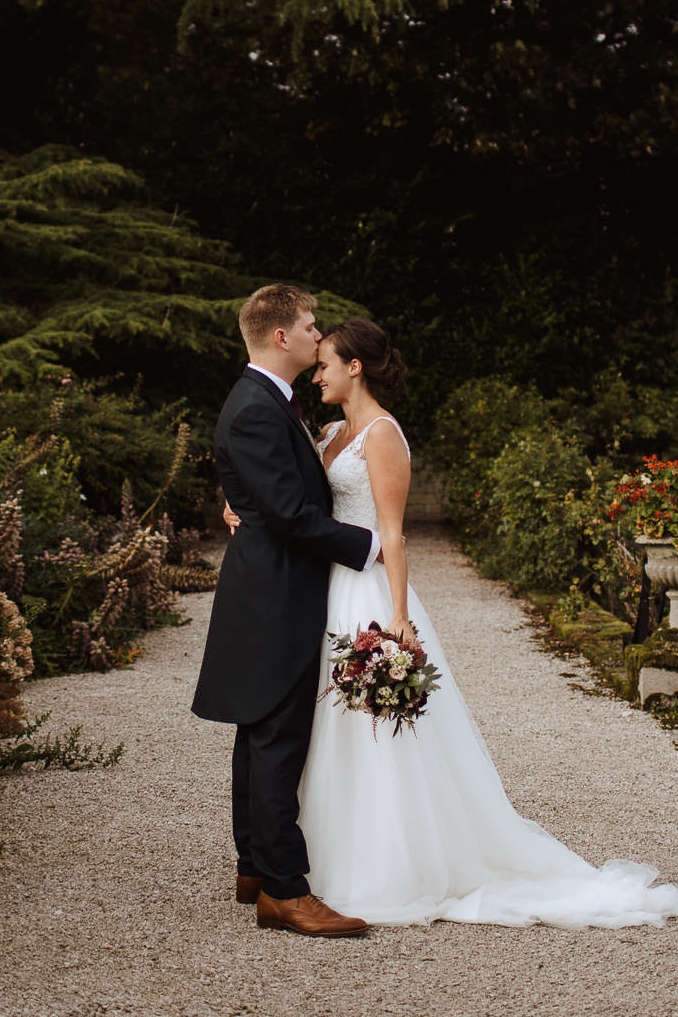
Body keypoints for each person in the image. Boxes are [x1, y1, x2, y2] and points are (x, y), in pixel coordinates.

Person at [290, 318, 678, 928]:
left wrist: (398, 619)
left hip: (367, 591)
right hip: (324, 589)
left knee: (373, 726)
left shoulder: (382, 435)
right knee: (328, 724)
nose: (316, 373)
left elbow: (394, 535)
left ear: (355, 367)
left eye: (325, 362)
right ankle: (319, 858)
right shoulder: (327, 433)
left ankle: (387, 866)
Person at [190, 285, 380, 937]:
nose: (315, 332)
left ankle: (253, 864)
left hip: (269, 585)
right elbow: (294, 515)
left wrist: (242, 501)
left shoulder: (269, 402)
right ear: (280, 336)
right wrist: (370, 543)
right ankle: (284, 890)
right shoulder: (255, 407)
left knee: (260, 729)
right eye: (308, 324)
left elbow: (270, 496)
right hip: (276, 594)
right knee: (277, 738)